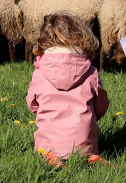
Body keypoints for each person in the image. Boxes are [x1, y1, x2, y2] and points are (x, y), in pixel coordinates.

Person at [25, 13, 109, 167]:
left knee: (46, 149)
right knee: (85, 150)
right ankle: (89, 156)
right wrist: (91, 117)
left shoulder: (39, 73)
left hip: (47, 142)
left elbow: (32, 104)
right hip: (84, 144)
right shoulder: (90, 72)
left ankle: (50, 156)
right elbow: (102, 105)